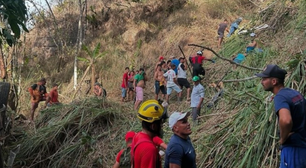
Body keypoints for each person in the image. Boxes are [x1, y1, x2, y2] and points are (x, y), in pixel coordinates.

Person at [256, 64, 306, 168]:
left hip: (293, 149)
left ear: (274, 81)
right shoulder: (294, 93)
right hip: (302, 145)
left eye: (264, 79)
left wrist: (283, 138)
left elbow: (286, 120)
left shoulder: (280, 97)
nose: (262, 82)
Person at [131, 99, 168, 168]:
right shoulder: (149, 149)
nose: (161, 127)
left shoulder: (138, 136)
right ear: (153, 126)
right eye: (160, 124)